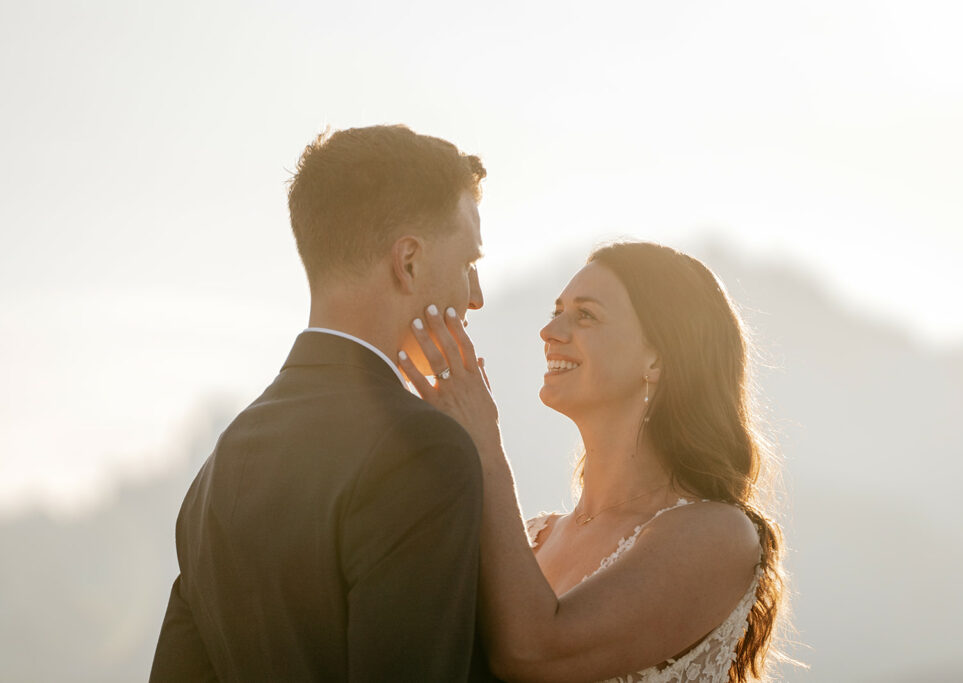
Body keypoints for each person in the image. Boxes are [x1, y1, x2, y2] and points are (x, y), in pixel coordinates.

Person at [151, 125, 499, 681]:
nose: (475, 295)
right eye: (467, 264)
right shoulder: (423, 451)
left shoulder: (218, 471)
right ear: (407, 262)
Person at [399, 241, 788, 683]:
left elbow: (535, 654)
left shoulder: (717, 534)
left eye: (585, 315)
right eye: (556, 310)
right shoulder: (535, 537)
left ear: (657, 357)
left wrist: (484, 444)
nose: (549, 332)